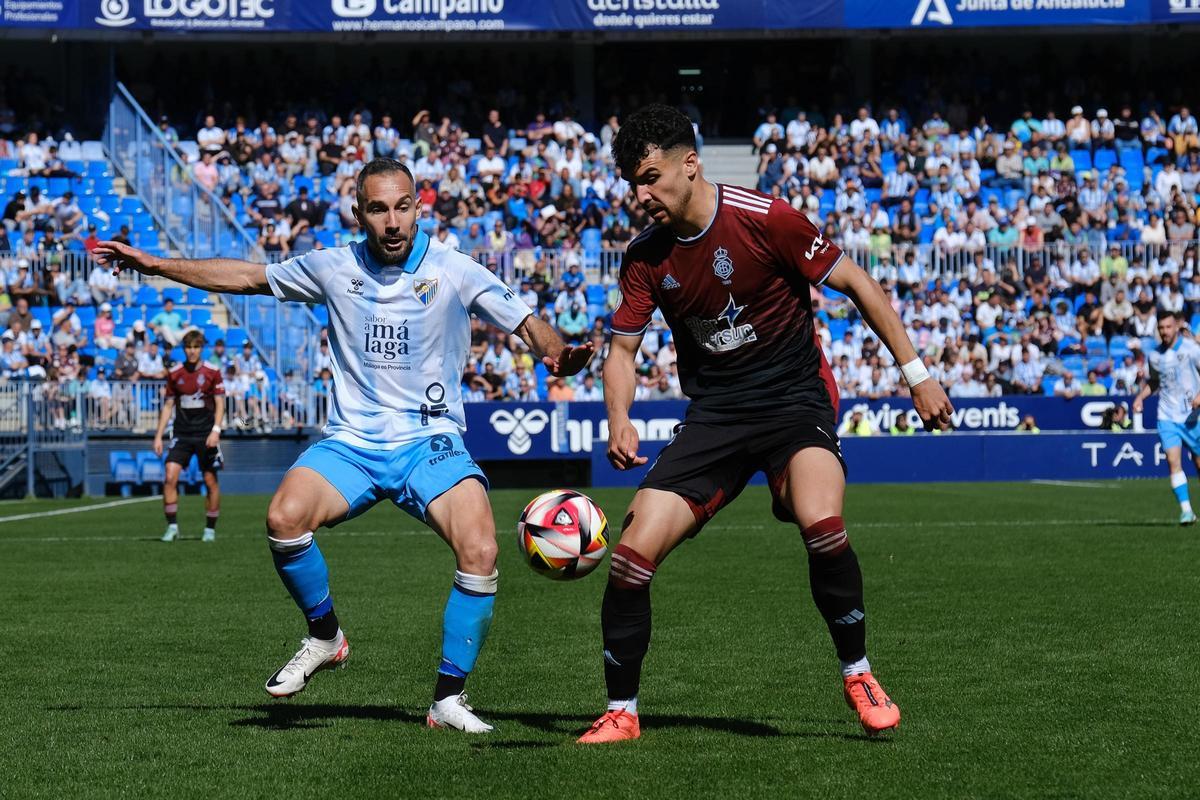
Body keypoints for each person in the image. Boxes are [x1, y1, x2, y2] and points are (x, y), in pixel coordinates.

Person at [94, 157, 592, 732]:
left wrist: (557, 351)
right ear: (359, 213)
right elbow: (248, 277)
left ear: (418, 207)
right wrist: (155, 265)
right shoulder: (331, 267)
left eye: (402, 207)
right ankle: (326, 635)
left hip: (429, 441)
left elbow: (527, 323)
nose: (392, 221)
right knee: (283, 517)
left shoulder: (456, 270)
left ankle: (447, 699)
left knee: (480, 553)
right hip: (352, 443)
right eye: (378, 209)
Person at [581, 105, 954, 745]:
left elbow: (858, 283)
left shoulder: (767, 218)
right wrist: (620, 419)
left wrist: (917, 373)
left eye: (650, 177)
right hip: (715, 420)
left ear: (689, 164)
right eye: (632, 184)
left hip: (793, 402)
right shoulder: (645, 257)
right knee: (629, 560)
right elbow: (622, 351)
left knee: (821, 522)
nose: (640, 197)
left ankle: (858, 672)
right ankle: (622, 712)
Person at [153, 330, 225, 543]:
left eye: (196, 347)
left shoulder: (213, 372)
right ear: (184, 349)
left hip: (206, 434)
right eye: (188, 347)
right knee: (169, 476)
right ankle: (172, 527)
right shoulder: (175, 373)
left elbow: (221, 404)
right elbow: (168, 406)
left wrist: (216, 431)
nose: (192, 351)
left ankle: (210, 529)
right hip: (182, 433)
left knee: (210, 480)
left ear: (201, 348)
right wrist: (158, 436)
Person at [1132, 313, 1200, 526]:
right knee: (1173, 462)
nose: (1165, 331)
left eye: (1168, 327)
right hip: (1167, 415)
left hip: (1192, 417)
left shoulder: (1192, 350)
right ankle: (1186, 511)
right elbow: (1154, 382)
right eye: (1161, 327)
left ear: (1176, 327)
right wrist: (1140, 397)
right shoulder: (1155, 356)